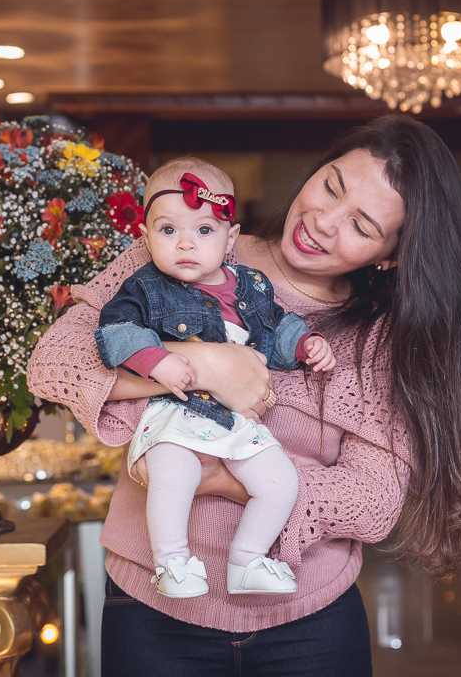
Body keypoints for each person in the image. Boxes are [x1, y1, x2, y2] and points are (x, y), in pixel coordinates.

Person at [26, 114, 461, 676]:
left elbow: (372, 501)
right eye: (331, 186)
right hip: (151, 609)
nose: (323, 221)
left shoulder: (380, 340)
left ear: (392, 255)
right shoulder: (188, 242)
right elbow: (54, 361)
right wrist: (206, 366)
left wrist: (217, 478)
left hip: (309, 622)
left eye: (361, 225)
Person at [94, 159, 336, 599]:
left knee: (280, 482)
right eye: (168, 230)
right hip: (176, 413)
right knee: (174, 474)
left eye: (204, 230)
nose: (186, 243)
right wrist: (156, 360)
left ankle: (247, 560)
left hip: (237, 421)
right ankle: (171, 563)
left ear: (230, 237)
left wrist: (306, 344)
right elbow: (115, 331)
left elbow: (278, 327)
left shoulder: (253, 286)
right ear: (145, 238)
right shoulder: (145, 287)